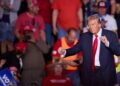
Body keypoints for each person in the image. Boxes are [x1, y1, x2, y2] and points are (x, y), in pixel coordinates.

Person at [59, 15, 120, 86]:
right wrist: (64, 52)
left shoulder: (111, 35)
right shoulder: (84, 36)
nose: (91, 27)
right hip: (89, 73)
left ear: (99, 24)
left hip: (105, 73)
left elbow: (118, 52)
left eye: (93, 24)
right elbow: (75, 49)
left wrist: (108, 43)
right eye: (89, 25)